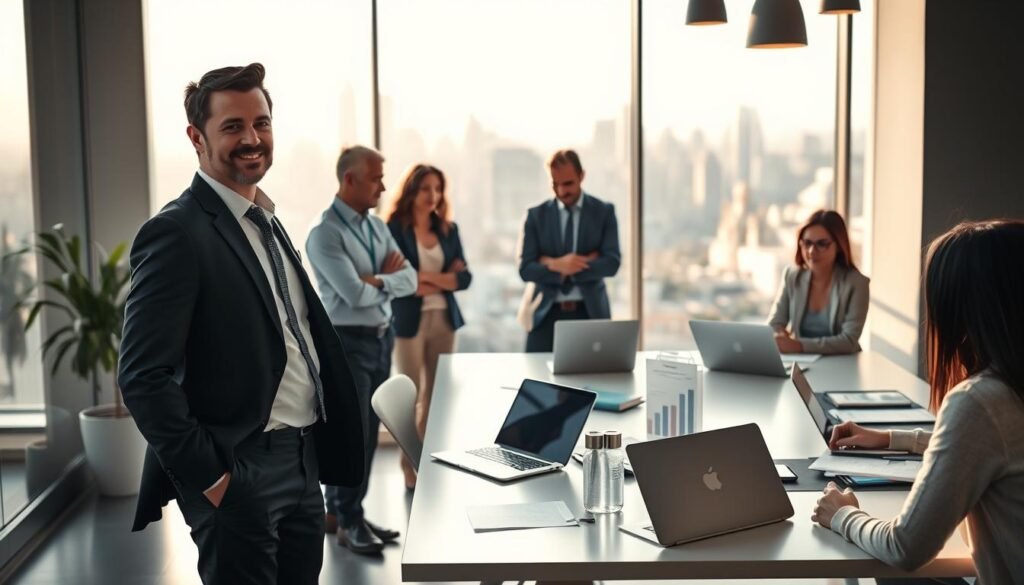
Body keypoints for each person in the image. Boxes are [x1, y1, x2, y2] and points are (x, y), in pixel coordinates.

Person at [119, 63, 366, 585]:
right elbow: (142, 376)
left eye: (262, 123)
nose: (252, 139)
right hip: (240, 467)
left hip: (302, 461)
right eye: (232, 126)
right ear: (197, 137)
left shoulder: (267, 221)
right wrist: (212, 478)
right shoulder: (176, 233)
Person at [811, 220, 1024, 584]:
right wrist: (893, 439)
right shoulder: (1010, 389)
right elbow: (993, 446)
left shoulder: (981, 401)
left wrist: (842, 515)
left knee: (890, 573)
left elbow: (905, 547)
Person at [305, 145, 416, 555]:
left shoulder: (375, 226)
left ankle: (348, 512)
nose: (383, 186)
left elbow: (410, 278)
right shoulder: (324, 234)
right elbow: (351, 293)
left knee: (370, 433)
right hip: (347, 344)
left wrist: (380, 279)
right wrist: (384, 280)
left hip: (380, 338)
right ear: (349, 179)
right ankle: (347, 519)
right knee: (353, 435)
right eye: (376, 178)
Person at [385, 164, 471, 490]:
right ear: (411, 190)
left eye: (438, 188)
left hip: (444, 322)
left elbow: (464, 278)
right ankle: (408, 464)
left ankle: (428, 462)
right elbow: (399, 281)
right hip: (409, 321)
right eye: (425, 188)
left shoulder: (449, 230)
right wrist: (442, 278)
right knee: (410, 395)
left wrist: (425, 280)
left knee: (436, 398)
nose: (433, 195)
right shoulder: (393, 229)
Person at [518, 149, 621, 352]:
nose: (561, 191)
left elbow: (611, 264)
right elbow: (525, 269)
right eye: (554, 184)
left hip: (589, 313)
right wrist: (560, 265)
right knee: (538, 381)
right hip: (544, 315)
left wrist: (549, 262)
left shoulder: (604, 212)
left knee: (590, 381)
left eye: (568, 184)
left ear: (582, 176)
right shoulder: (535, 216)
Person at [768, 209, 869, 354]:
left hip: (844, 365)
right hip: (801, 364)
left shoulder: (857, 284)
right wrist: (778, 335)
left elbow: (849, 340)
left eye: (822, 244)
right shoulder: (792, 276)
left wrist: (798, 345)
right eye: (807, 243)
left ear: (839, 246)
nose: (811, 251)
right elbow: (774, 325)